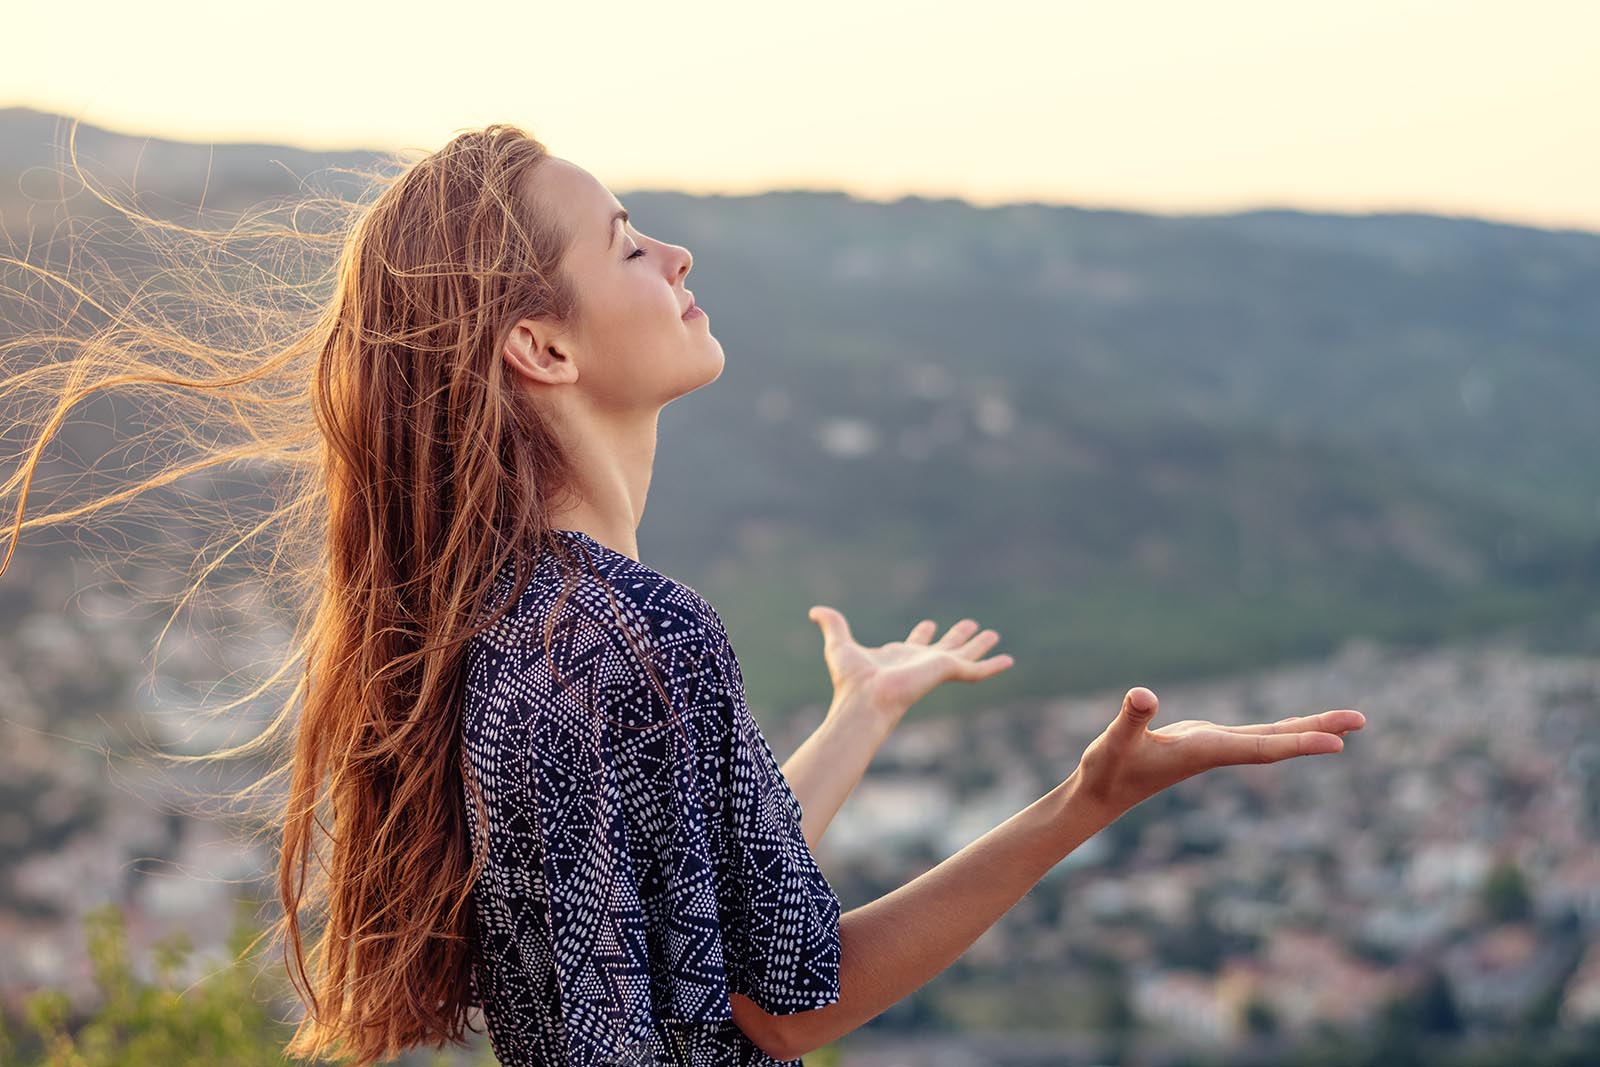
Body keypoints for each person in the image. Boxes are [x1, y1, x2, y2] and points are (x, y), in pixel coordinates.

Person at [0, 122, 1365, 1067]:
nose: (679, 259)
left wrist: (856, 722)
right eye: (630, 245)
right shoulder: (643, 636)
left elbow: (692, 928)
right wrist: (1089, 802)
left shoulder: (515, 628)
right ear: (541, 341)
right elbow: (785, 1004)